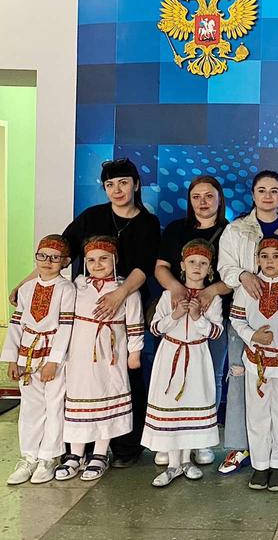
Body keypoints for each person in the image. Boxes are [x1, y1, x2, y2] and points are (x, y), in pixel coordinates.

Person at [30, 158, 159, 468]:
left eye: (123, 183)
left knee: (125, 375)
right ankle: (80, 448)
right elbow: (58, 254)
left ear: (135, 184)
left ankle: (126, 447)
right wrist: (27, 283)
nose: (117, 190)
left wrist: (120, 294)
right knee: (84, 380)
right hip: (87, 309)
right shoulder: (91, 217)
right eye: (110, 185)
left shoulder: (148, 223)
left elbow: (144, 267)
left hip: (124, 308)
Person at [217, 170, 278, 475]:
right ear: (253, 194)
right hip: (247, 314)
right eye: (262, 190)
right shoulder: (238, 229)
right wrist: (243, 276)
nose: (268, 196)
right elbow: (225, 266)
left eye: (274, 190)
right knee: (245, 385)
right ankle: (245, 449)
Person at [154, 176, 231, 468]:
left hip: (213, 313)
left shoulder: (231, 231)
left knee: (209, 378)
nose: (203, 202)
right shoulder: (176, 229)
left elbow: (238, 274)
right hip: (178, 315)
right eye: (196, 196)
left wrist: (211, 291)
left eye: (209, 196)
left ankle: (202, 440)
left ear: (219, 199)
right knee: (173, 377)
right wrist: (176, 288)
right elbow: (161, 267)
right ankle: (169, 439)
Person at [57, 236, 144, 482]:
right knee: (79, 401)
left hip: (110, 356)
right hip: (79, 356)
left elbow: (135, 323)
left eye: (104, 258)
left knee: (107, 399)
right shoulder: (77, 287)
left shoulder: (126, 289)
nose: (97, 264)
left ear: (115, 259)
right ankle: (75, 454)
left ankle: (100, 453)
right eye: (91, 260)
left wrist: (135, 352)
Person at [143, 240, 223, 487]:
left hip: (197, 357)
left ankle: (186, 460)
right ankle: (173, 464)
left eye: (203, 263)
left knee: (192, 403)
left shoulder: (213, 299)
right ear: (182, 265)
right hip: (170, 356)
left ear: (210, 269)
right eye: (192, 262)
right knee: (171, 406)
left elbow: (216, 332)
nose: (197, 267)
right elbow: (155, 328)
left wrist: (198, 317)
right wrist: (176, 315)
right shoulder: (168, 296)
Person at [230, 238, 278, 492]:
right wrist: (253, 336)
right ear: (257, 259)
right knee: (257, 414)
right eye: (264, 256)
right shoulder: (247, 287)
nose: (270, 261)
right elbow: (237, 319)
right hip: (257, 362)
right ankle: (261, 464)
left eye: (276, 256)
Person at [3, 235, 76, 485]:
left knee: (54, 405)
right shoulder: (26, 289)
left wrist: (54, 361)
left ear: (65, 262)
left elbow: (65, 326)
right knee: (30, 407)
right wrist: (12, 359)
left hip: (53, 355)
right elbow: (16, 325)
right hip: (27, 355)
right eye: (42, 256)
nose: (47, 261)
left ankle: (49, 457)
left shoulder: (66, 289)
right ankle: (29, 456)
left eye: (55, 257)